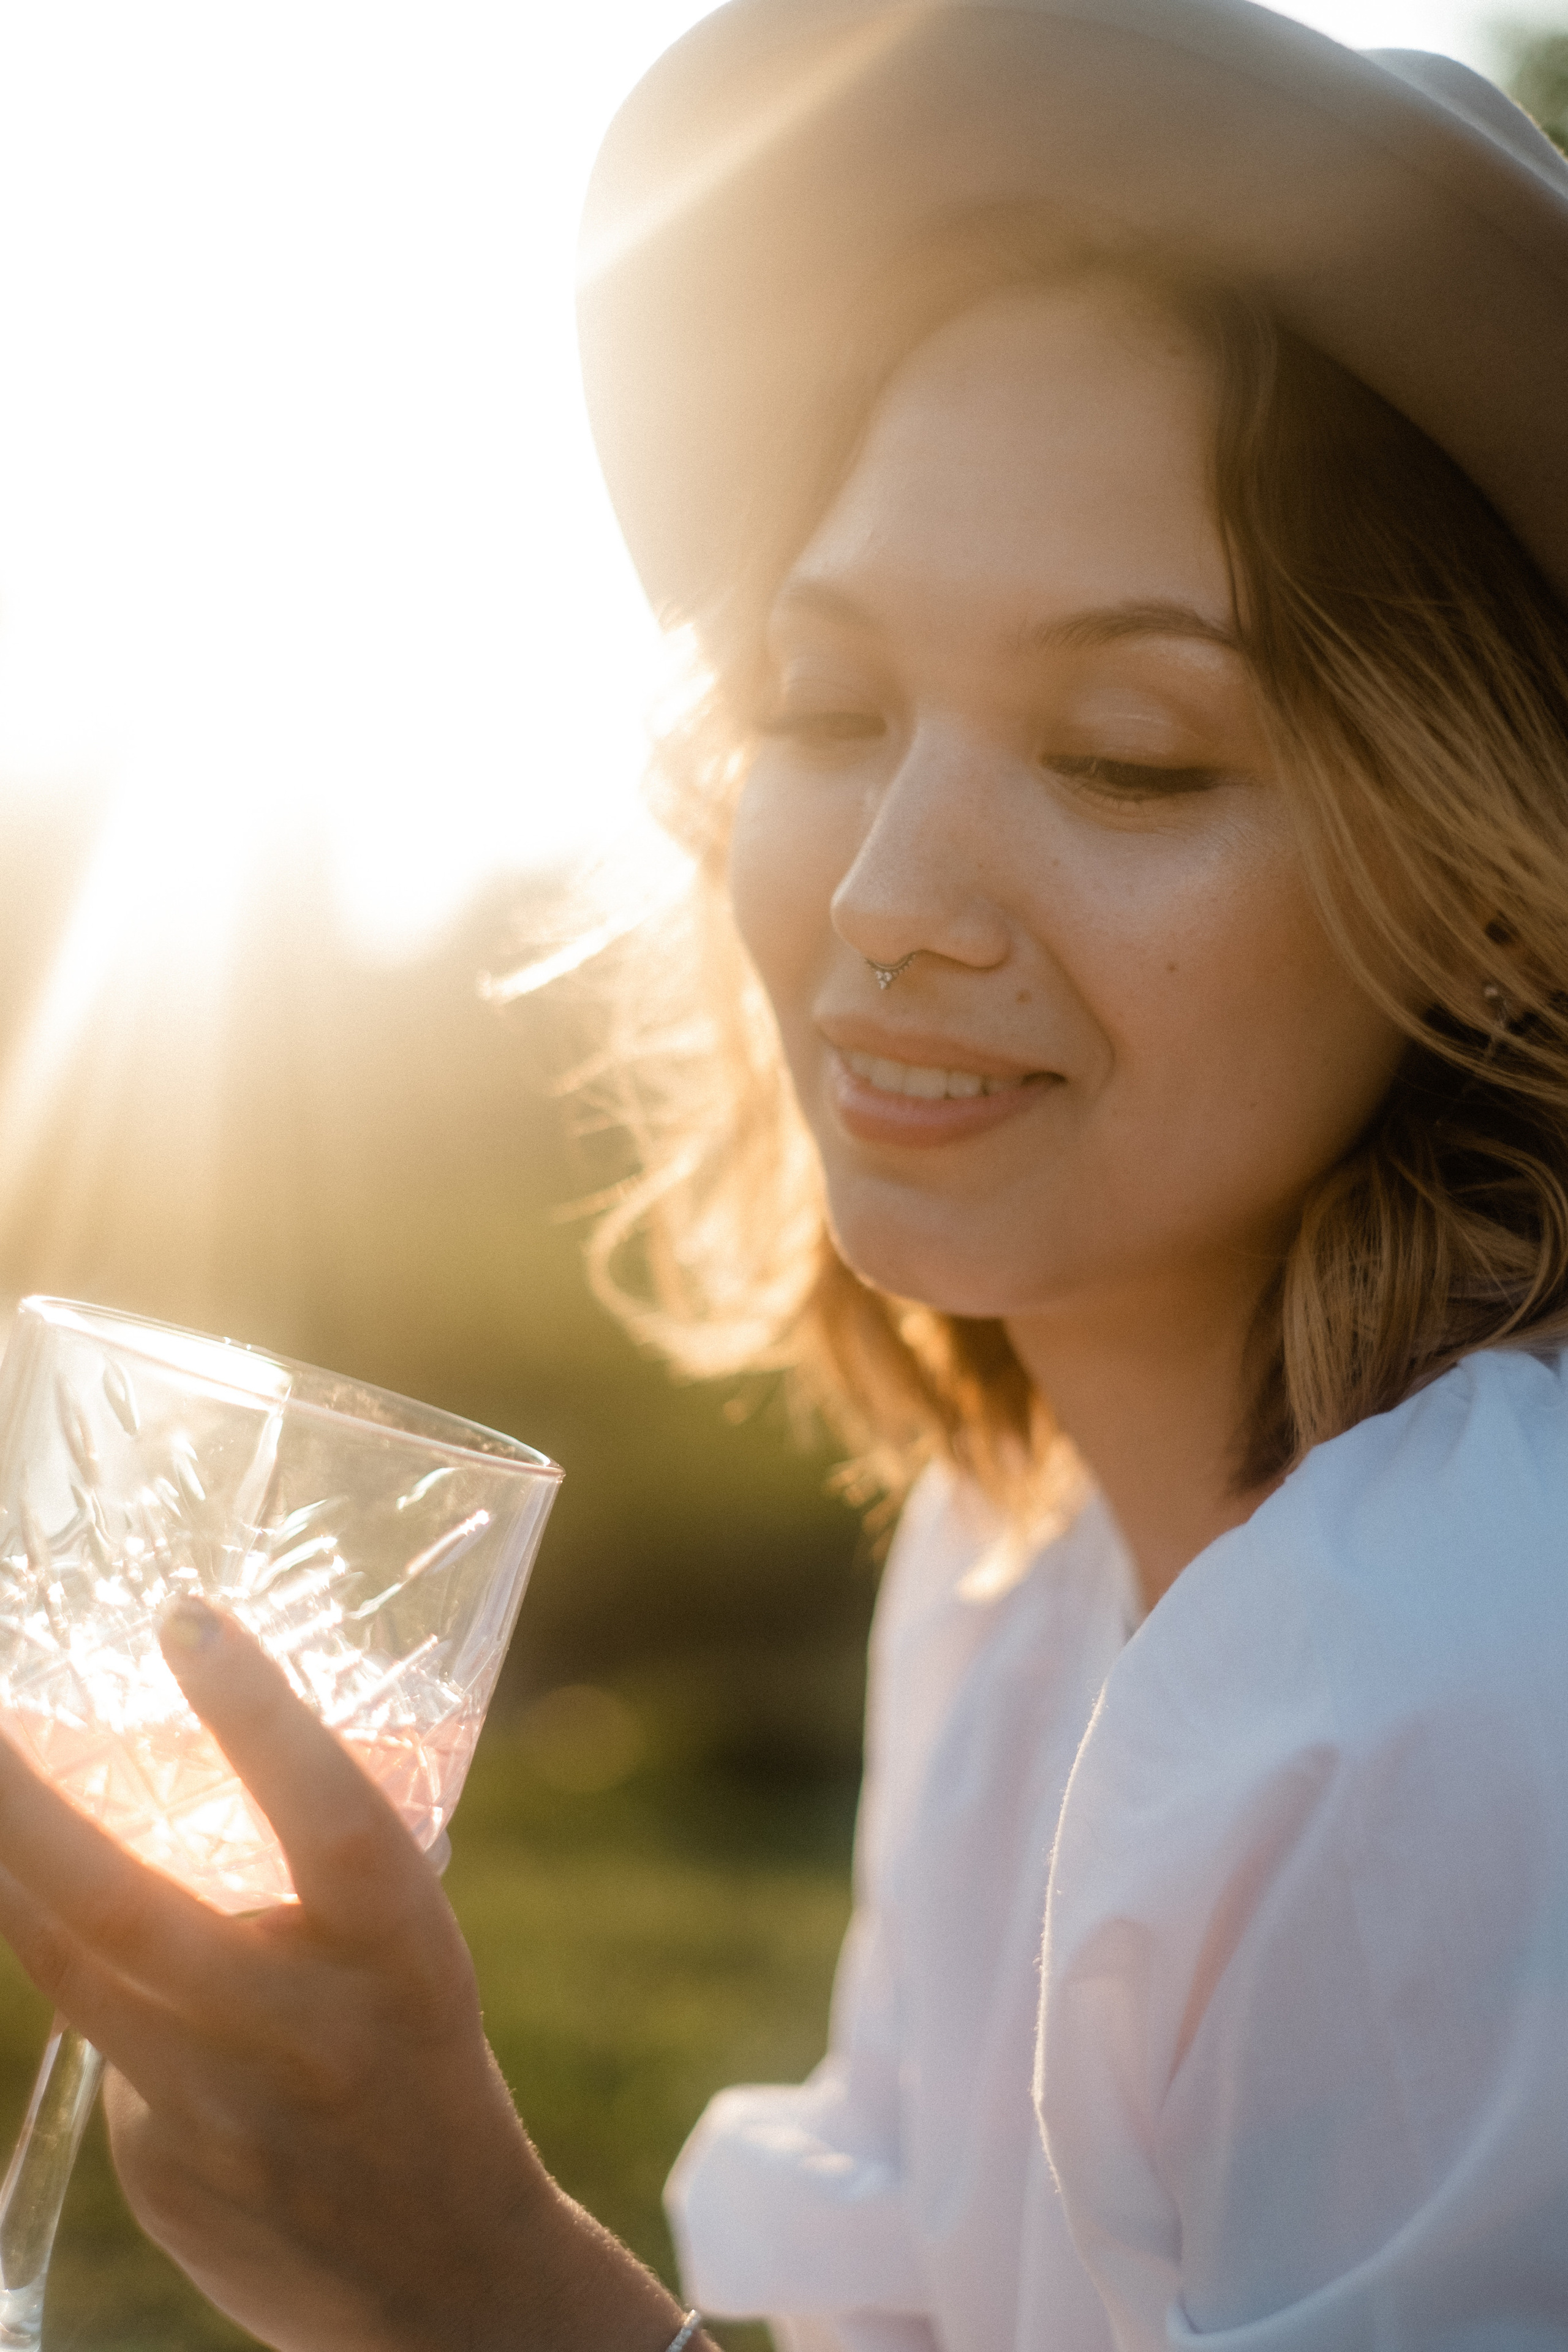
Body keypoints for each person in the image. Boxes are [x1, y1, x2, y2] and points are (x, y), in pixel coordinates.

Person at [1, 0, 1567, 2344]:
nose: (887, 895)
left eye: (1129, 753)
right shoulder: (1016, 1569)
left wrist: (467, 2271)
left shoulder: (1470, 1677)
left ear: (1479, 876)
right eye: (829, 713)